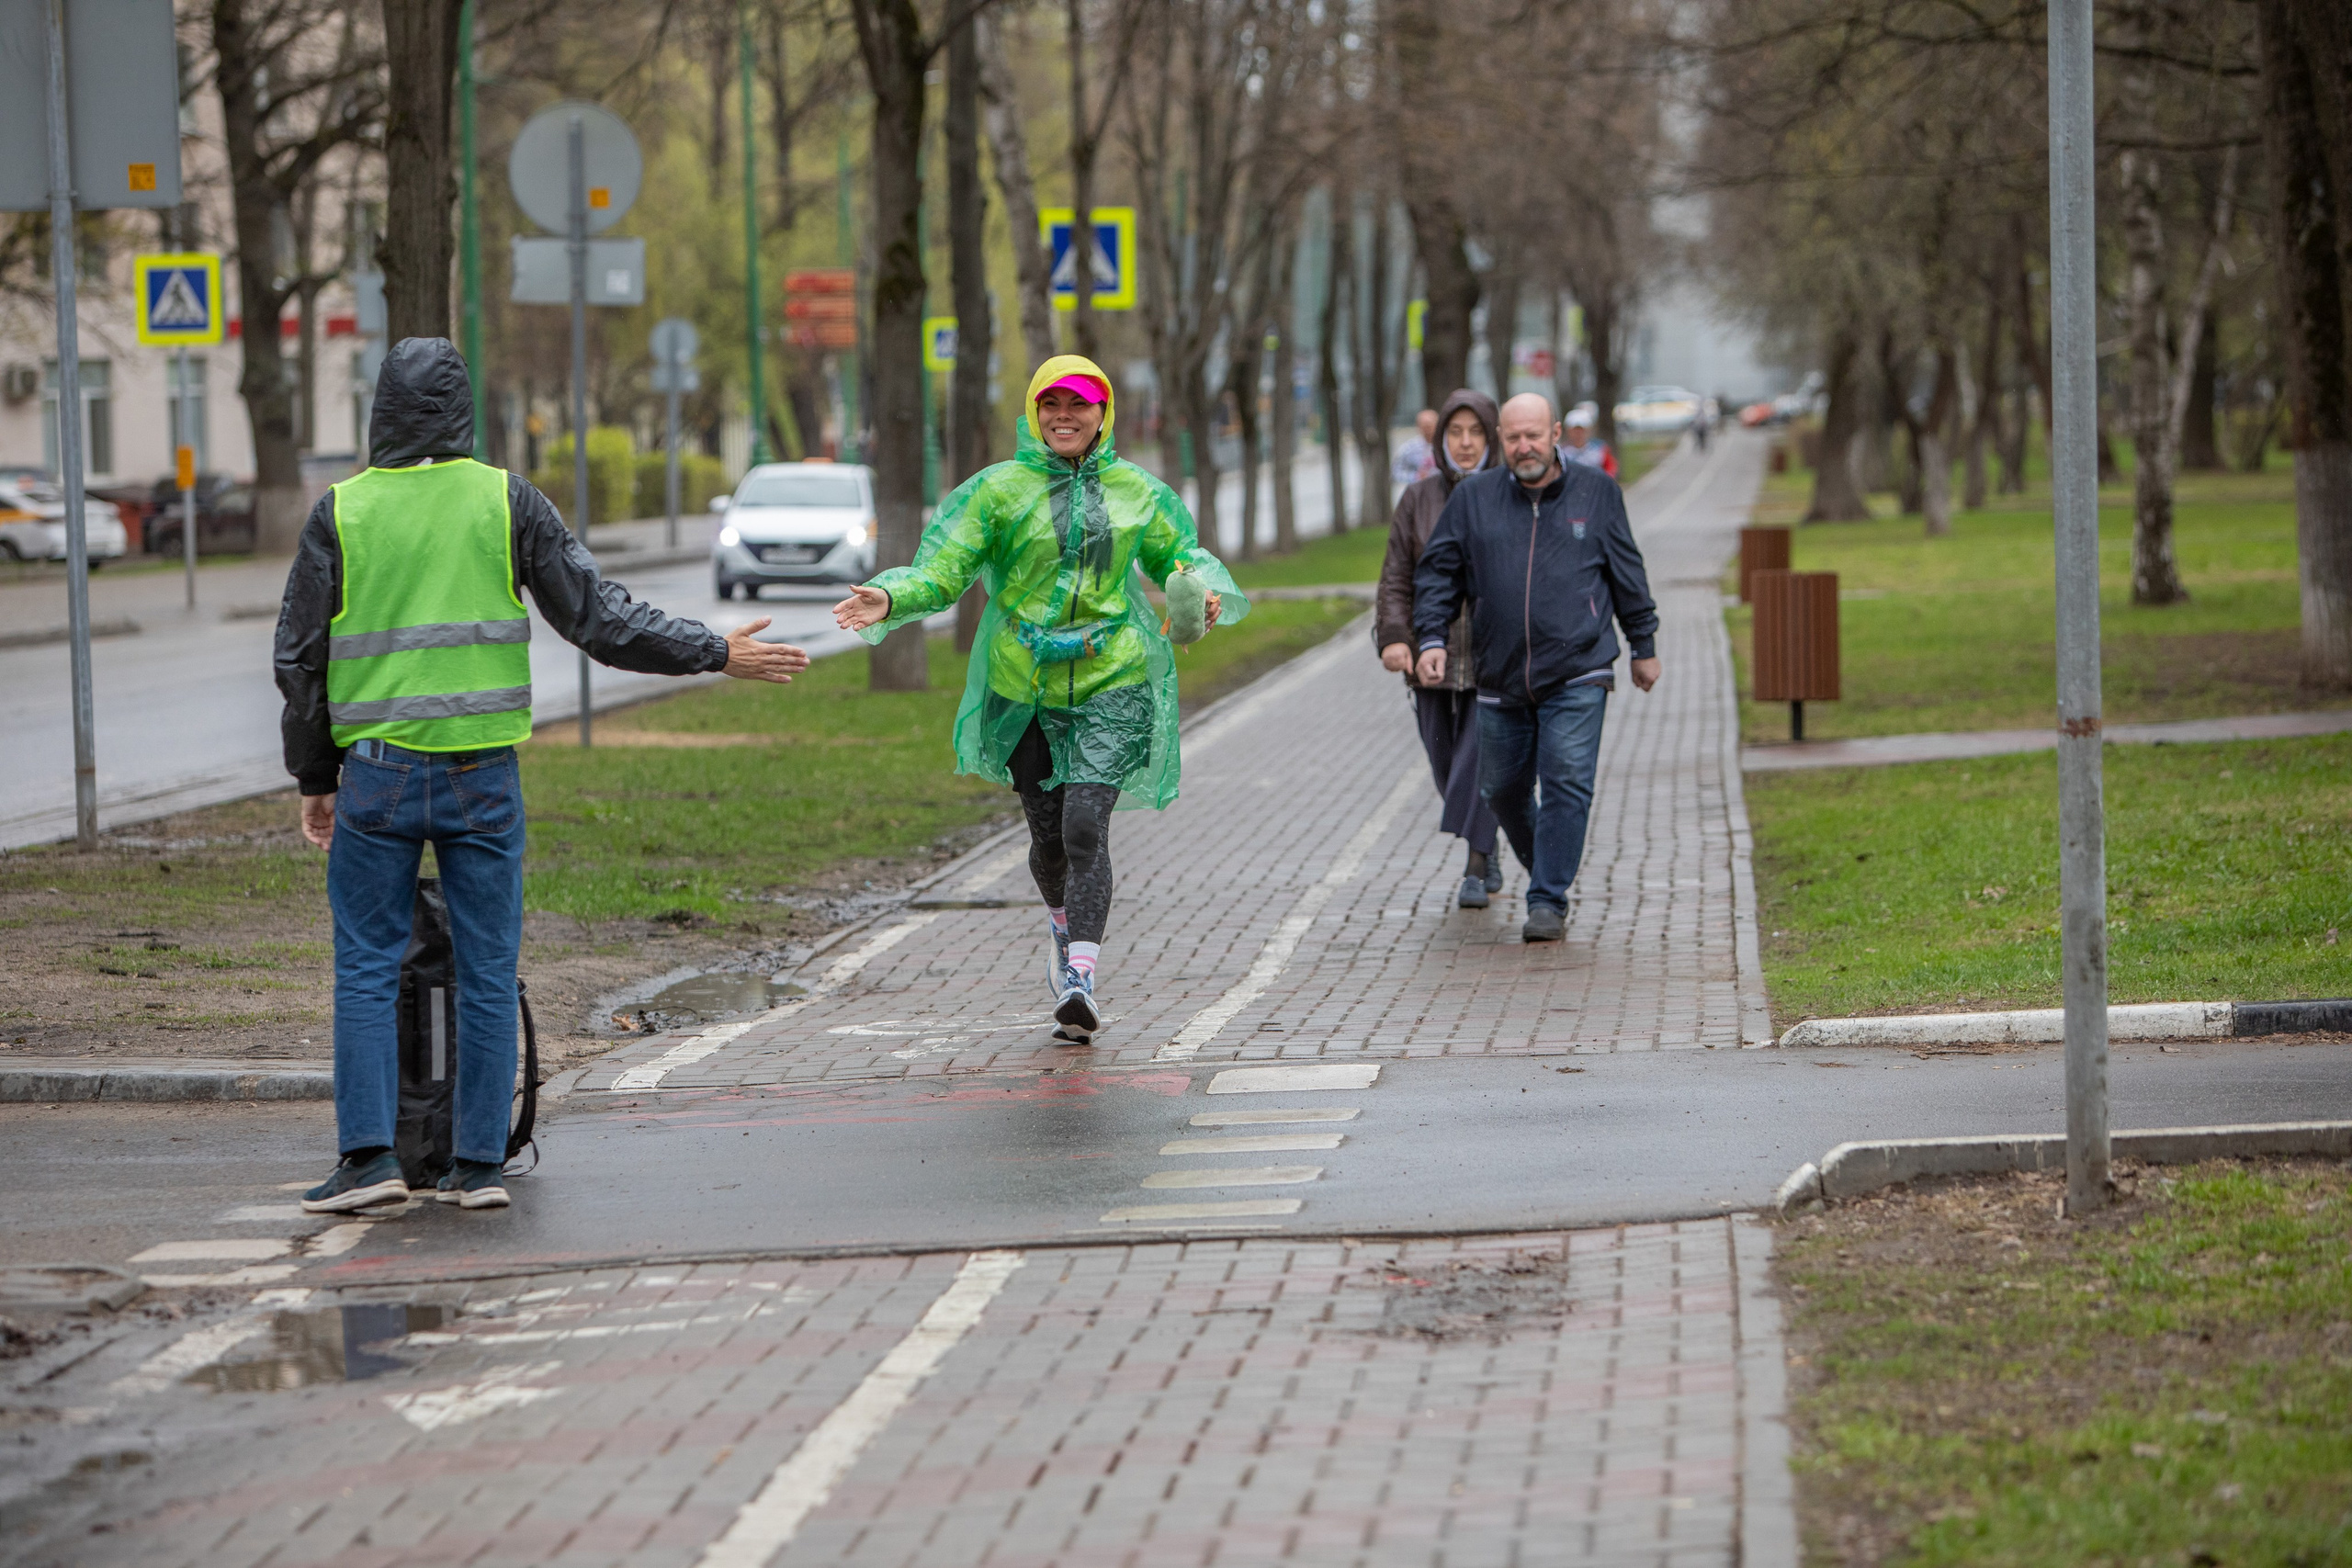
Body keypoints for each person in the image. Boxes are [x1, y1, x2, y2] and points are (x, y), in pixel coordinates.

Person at [277, 338, 809, 1216]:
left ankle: (369, 1160)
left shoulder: (342, 511)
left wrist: (314, 774)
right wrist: (715, 650)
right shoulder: (505, 500)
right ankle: (478, 1166)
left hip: (377, 774)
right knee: (488, 967)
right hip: (483, 775)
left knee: (367, 967)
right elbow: (600, 619)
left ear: (382, 413)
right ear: (462, 410)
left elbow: (298, 659)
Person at [831, 355, 1248, 1043]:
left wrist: (1197, 588)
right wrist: (891, 594)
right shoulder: (997, 492)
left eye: (1079, 404)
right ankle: (1062, 929)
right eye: (1051, 403)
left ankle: (1081, 977)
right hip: (1020, 688)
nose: (1064, 416)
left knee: (1086, 826)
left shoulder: (1139, 492)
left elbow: (1182, 555)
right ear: (1032, 410)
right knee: (1049, 840)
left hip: (1113, 679)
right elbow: (943, 570)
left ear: (1102, 412)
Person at [1412, 392, 1658, 943]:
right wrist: (1430, 637)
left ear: (1555, 433)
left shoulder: (1597, 493)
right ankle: (1545, 863)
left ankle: (1547, 898)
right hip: (1499, 675)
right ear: (1503, 439)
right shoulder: (1474, 499)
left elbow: (1627, 571)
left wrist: (1643, 644)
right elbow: (1437, 574)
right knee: (1499, 789)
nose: (1525, 447)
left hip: (1578, 668)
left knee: (1567, 780)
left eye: (1534, 435)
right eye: (1514, 437)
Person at [1375, 388, 1503, 909]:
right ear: (1442, 438)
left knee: (1482, 759)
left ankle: (1476, 862)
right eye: (1457, 432)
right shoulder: (1419, 498)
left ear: (1491, 438)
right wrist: (1394, 639)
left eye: (1476, 433)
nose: (1467, 444)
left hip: (1497, 660)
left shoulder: (1508, 493)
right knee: (1447, 764)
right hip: (1431, 656)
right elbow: (1395, 578)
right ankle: (1488, 837)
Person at [1560, 405, 1618, 477]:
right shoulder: (1561, 452)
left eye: (1582, 430)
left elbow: (1611, 469)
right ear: (1567, 431)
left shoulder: (1600, 449)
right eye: (1575, 430)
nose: (1578, 434)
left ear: (1589, 430)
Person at [1391, 407, 1440, 489]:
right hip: (1418, 492)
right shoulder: (1409, 448)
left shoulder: (1446, 447)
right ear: (1418, 426)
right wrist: (1415, 476)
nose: (1427, 430)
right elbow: (1396, 472)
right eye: (1424, 426)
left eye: (1430, 426)